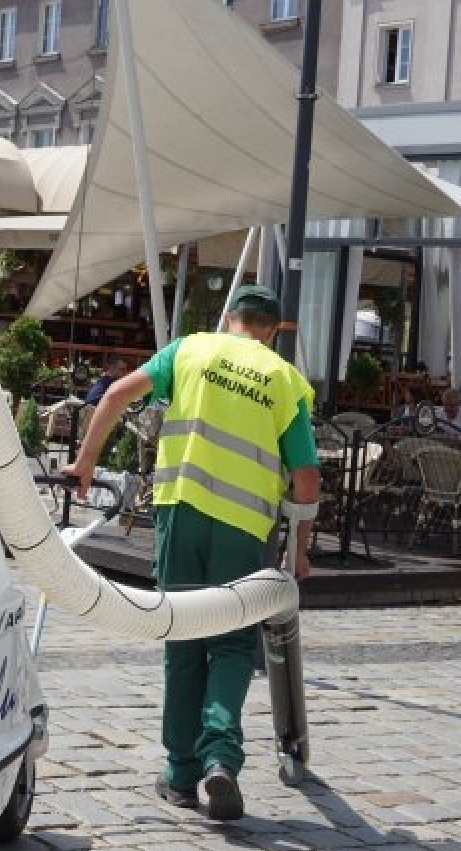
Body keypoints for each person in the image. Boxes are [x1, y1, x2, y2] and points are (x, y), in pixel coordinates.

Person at [64, 285, 320, 822]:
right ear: (272, 330)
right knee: (229, 647)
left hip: (181, 512)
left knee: (180, 639)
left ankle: (179, 774)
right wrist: (299, 550)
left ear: (229, 318)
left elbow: (114, 397)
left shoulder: (187, 349)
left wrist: (85, 464)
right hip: (245, 528)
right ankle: (220, 758)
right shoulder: (283, 379)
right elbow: (305, 477)